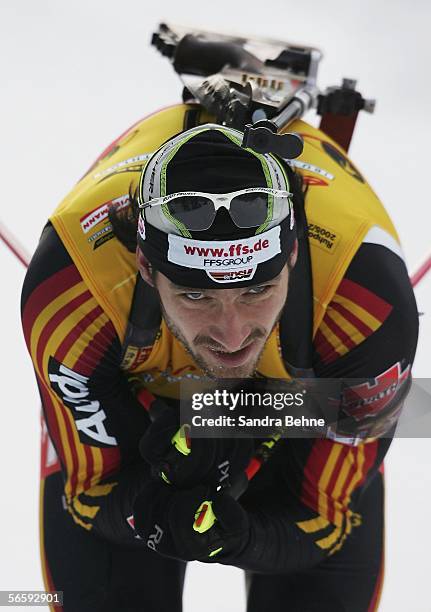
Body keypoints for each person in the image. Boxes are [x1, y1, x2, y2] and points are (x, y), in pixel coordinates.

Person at [21, 103, 419, 612]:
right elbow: (91, 492)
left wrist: (245, 537)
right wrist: (154, 509)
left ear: (292, 254)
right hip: (144, 402)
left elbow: (323, 515)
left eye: (257, 291)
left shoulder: (366, 303)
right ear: (146, 266)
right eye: (196, 296)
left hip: (307, 404)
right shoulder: (73, 289)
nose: (231, 336)